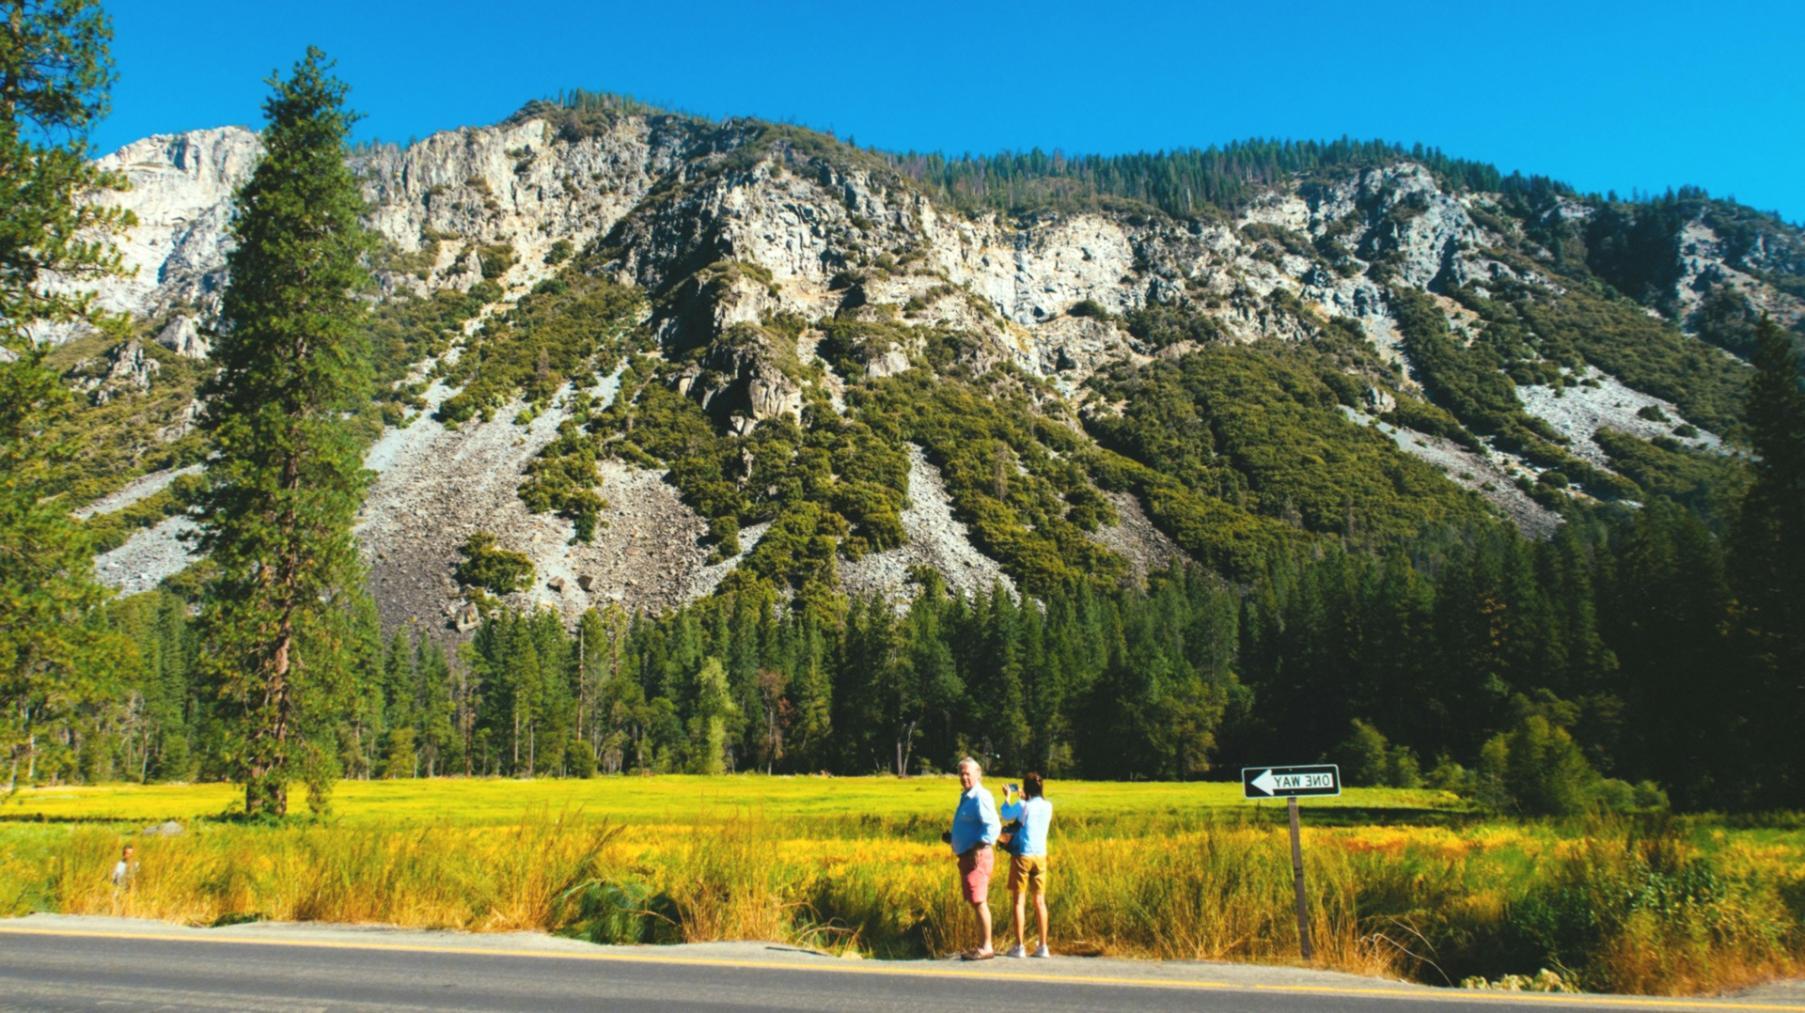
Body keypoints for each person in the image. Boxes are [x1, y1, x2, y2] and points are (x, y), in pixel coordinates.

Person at [946, 756, 1000, 959]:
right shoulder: (967, 796)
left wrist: (976, 848)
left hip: (976, 857)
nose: (964, 777)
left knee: (979, 900)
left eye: (968, 773)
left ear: (978, 774)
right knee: (975, 900)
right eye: (961, 773)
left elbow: (992, 827)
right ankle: (982, 944)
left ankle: (986, 947)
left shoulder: (980, 796)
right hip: (968, 856)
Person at [999, 772, 1054, 958]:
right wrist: (1025, 798)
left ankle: (1019, 946)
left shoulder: (1023, 806)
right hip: (1040, 856)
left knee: (1019, 901)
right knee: (1040, 901)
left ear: (1026, 788)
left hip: (1023, 855)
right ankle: (1043, 946)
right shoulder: (1048, 806)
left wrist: (1007, 797)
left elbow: (1005, 814)